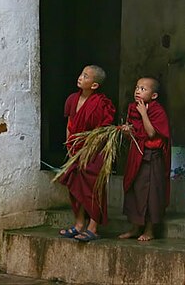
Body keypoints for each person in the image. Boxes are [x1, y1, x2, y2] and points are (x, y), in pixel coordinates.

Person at [57, 65, 115, 242]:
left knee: (93, 189)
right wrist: (70, 146)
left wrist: (89, 149)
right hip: (75, 150)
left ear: (95, 85)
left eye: (85, 76)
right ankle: (79, 223)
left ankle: (93, 227)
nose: (80, 78)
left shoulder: (102, 104)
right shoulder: (72, 100)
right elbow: (70, 124)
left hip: (94, 152)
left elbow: (102, 131)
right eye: (81, 74)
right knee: (75, 187)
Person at [118, 77, 170, 241]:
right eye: (137, 87)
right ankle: (135, 228)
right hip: (136, 154)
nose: (138, 91)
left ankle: (149, 230)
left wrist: (143, 113)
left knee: (150, 194)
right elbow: (134, 133)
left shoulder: (157, 111)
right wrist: (126, 130)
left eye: (143, 89)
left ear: (153, 96)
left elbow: (151, 133)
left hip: (151, 157)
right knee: (134, 191)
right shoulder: (132, 108)